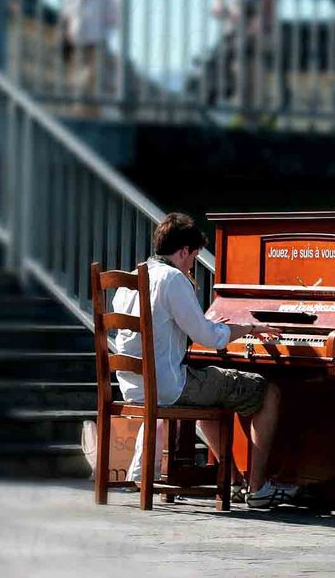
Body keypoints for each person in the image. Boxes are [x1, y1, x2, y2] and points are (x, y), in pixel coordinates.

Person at [112, 212, 296, 508]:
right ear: (184, 251)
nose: (192, 265)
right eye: (193, 258)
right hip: (168, 387)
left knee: (209, 389)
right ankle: (259, 489)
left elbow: (163, 330)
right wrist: (248, 328)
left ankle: (235, 481)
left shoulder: (132, 278)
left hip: (133, 385)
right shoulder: (173, 278)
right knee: (267, 391)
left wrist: (208, 325)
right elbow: (210, 338)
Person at [60, 0, 119, 119]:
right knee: (77, 84)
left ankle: (91, 115)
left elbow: (114, 20)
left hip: (95, 46)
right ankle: (81, 115)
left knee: (89, 84)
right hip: (76, 46)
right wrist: (66, 38)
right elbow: (66, 16)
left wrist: (101, 38)